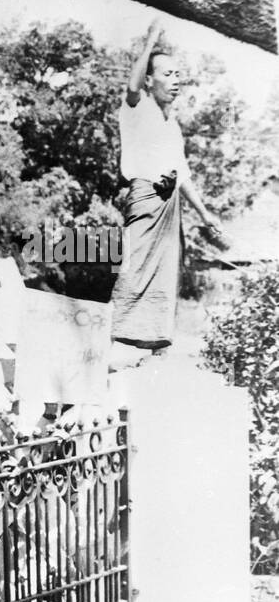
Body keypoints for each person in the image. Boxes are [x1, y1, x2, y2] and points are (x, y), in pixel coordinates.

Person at [111, 18, 221, 355]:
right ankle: (114, 334)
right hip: (145, 199)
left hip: (169, 204)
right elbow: (131, 85)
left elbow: (182, 172)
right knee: (134, 269)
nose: (176, 80)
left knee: (165, 272)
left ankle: (151, 342)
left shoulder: (172, 124)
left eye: (178, 74)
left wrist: (205, 215)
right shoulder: (137, 107)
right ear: (150, 80)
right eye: (168, 74)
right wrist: (151, 38)